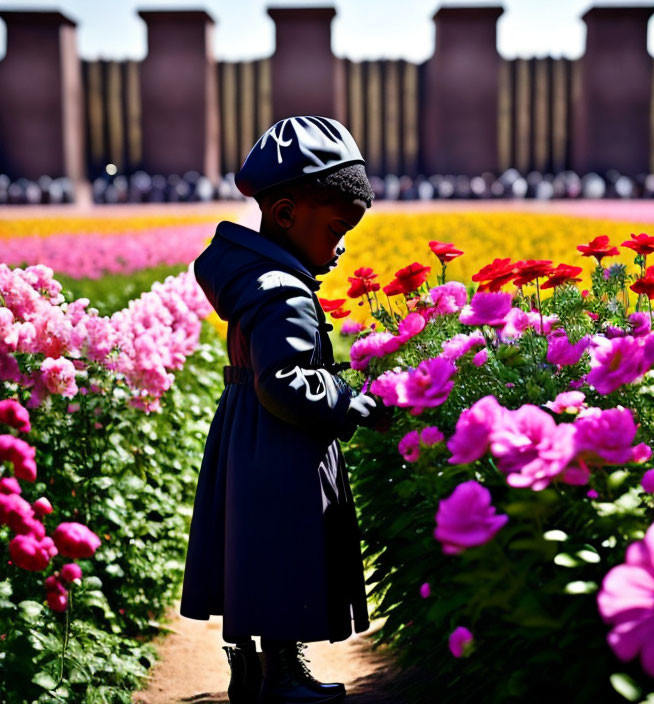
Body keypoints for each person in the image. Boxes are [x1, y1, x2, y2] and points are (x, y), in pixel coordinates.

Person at [179, 116, 380, 704]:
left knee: (254, 551)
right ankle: (282, 679)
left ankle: (252, 673)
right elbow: (285, 382)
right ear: (287, 214)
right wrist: (353, 403)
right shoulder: (284, 292)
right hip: (282, 445)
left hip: (251, 437)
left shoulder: (252, 277)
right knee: (285, 552)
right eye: (337, 229)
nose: (341, 247)